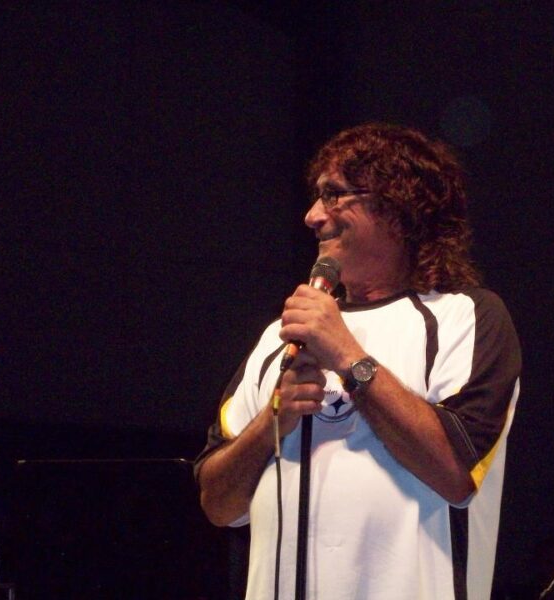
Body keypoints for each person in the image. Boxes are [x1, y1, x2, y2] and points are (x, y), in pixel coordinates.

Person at [195, 122, 522, 600]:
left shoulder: (467, 317)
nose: (312, 216)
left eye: (334, 195)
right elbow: (217, 505)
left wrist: (348, 358)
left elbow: (456, 473)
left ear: (398, 206)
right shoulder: (279, 337)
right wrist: (272, 421)